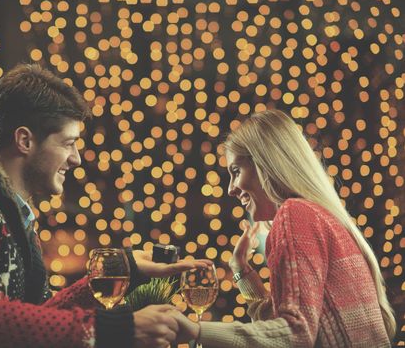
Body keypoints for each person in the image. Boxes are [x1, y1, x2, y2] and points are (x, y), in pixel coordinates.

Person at [0, 64, 209, 348]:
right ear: (25, 141)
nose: (76, 159)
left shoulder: (7, 212)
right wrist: (121, 329)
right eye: (68, 144)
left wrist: (122, 269)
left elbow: (35, 322)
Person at [169, 110, 395, 347]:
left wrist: (197, 331)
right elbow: (285, 326)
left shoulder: (295, 213)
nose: (231, 189)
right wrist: (241, 271)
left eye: (236, 172)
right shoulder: (319, 215)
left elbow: (295, 335)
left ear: (266, 162)